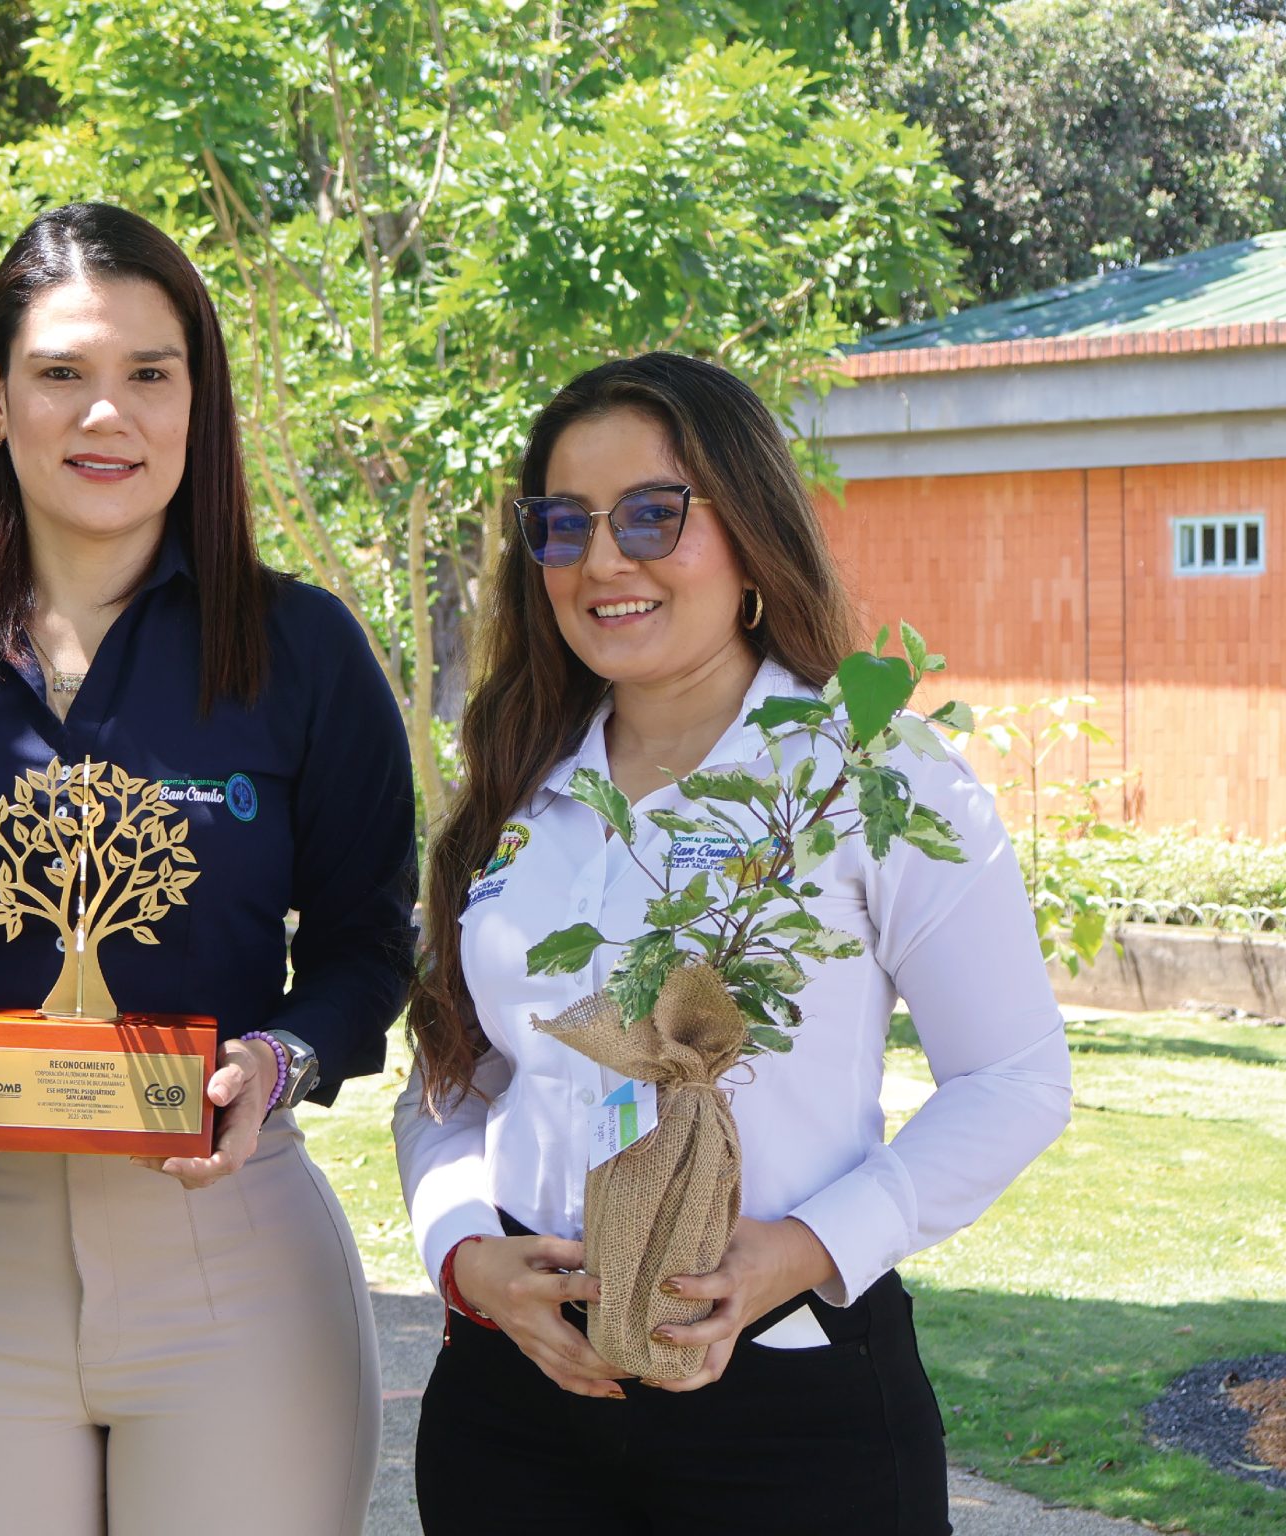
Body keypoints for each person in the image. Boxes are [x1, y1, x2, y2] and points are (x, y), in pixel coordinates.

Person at [0, 202, 415, 1536]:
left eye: (149, 373)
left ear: (198, 397)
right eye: (61, 372)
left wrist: (280, 1061)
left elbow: (369, 942)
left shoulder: (303, 650)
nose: (106, 414)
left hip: (236, 1261)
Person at [394, 352, 1074, 1534]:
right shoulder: (517, 781)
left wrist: (803, 1250)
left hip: (787, 1402)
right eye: (564, 524)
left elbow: (1015, 1079)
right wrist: (465, 1257)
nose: (604, 560)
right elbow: (455, 1078)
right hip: (517, 1403)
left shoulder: (869, 776)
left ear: (751, 534)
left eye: (651, 515)